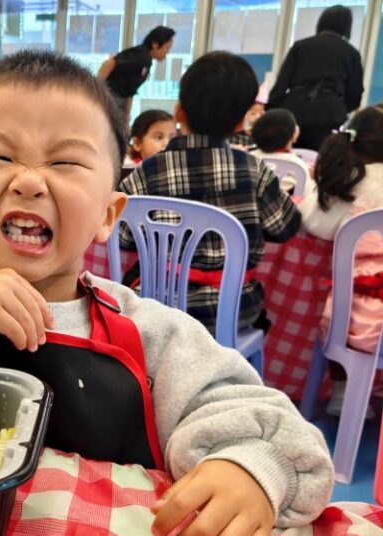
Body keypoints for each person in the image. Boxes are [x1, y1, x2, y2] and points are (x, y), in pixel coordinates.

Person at [0, 50, 333, 536]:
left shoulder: (148, 332)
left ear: (108, 214)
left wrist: (248, 469)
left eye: (64, 162)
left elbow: (266, 424)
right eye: (0, 157)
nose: (29, 180)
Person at [120, 52, 301, 334]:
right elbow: (285, 227)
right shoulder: (255, 171)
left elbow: (123, 236)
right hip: (232, 311)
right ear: (241, 122)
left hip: (156, 307)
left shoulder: (148, 170)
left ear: (179, 112)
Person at [298, 107, 383, 418]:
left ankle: (343, 390)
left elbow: (313, 224)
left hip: (352, 320)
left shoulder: (348, 183)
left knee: (343, 304)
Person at [268, 5, 364, 151]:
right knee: (320, 157)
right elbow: (355, 93)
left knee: (287, 154)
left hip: (295, 111)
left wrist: (276, 107)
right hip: (329, 114)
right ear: (347, 26)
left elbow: (281, 83)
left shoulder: (300, 46)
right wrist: (340, 108)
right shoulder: (351, 53)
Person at [98, 26, 175, 125]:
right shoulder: (140, 54)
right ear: (155, 43)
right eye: (167, 48)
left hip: (120, 102)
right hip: (110, 97)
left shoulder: (147, 61)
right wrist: (97, 90)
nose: (167, 52)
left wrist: (126, 117)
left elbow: (130, 91)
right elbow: (109, 63)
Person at [250, 109, 315, 197]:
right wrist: (313, 179)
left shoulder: (249, 157)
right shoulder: (298, 166)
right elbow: (306, 194)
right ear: (294, 136)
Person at [229, 82, 269, 150]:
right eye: (253, 113)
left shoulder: (262, 136)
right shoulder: (234, 136)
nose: (258, 117)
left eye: (261, 113)